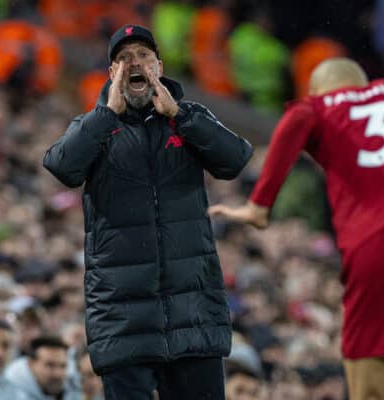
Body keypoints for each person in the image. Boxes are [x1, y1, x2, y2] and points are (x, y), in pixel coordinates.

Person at [209, 57, 384, 400]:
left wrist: (259, 205)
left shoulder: (318, 106)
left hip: (370, 237)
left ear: (318, 89)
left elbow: (294, 121)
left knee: (368, 373)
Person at [43, 24, 252, 400]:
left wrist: (181, 116)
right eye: (123, 59)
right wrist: (107, 115)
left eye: (142, 56)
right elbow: (61, 166)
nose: (133, 64)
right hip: (124, 319)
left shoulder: (189, 117)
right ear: (112, 74)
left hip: (193, 314)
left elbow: (235, 159)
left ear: (159, 65)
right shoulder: (94, 126)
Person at [5, 335, 78, 400]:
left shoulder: (74, 388)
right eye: (50, 365)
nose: (57, 374)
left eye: (63, 366)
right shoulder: (8, 392)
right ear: (31, 364)